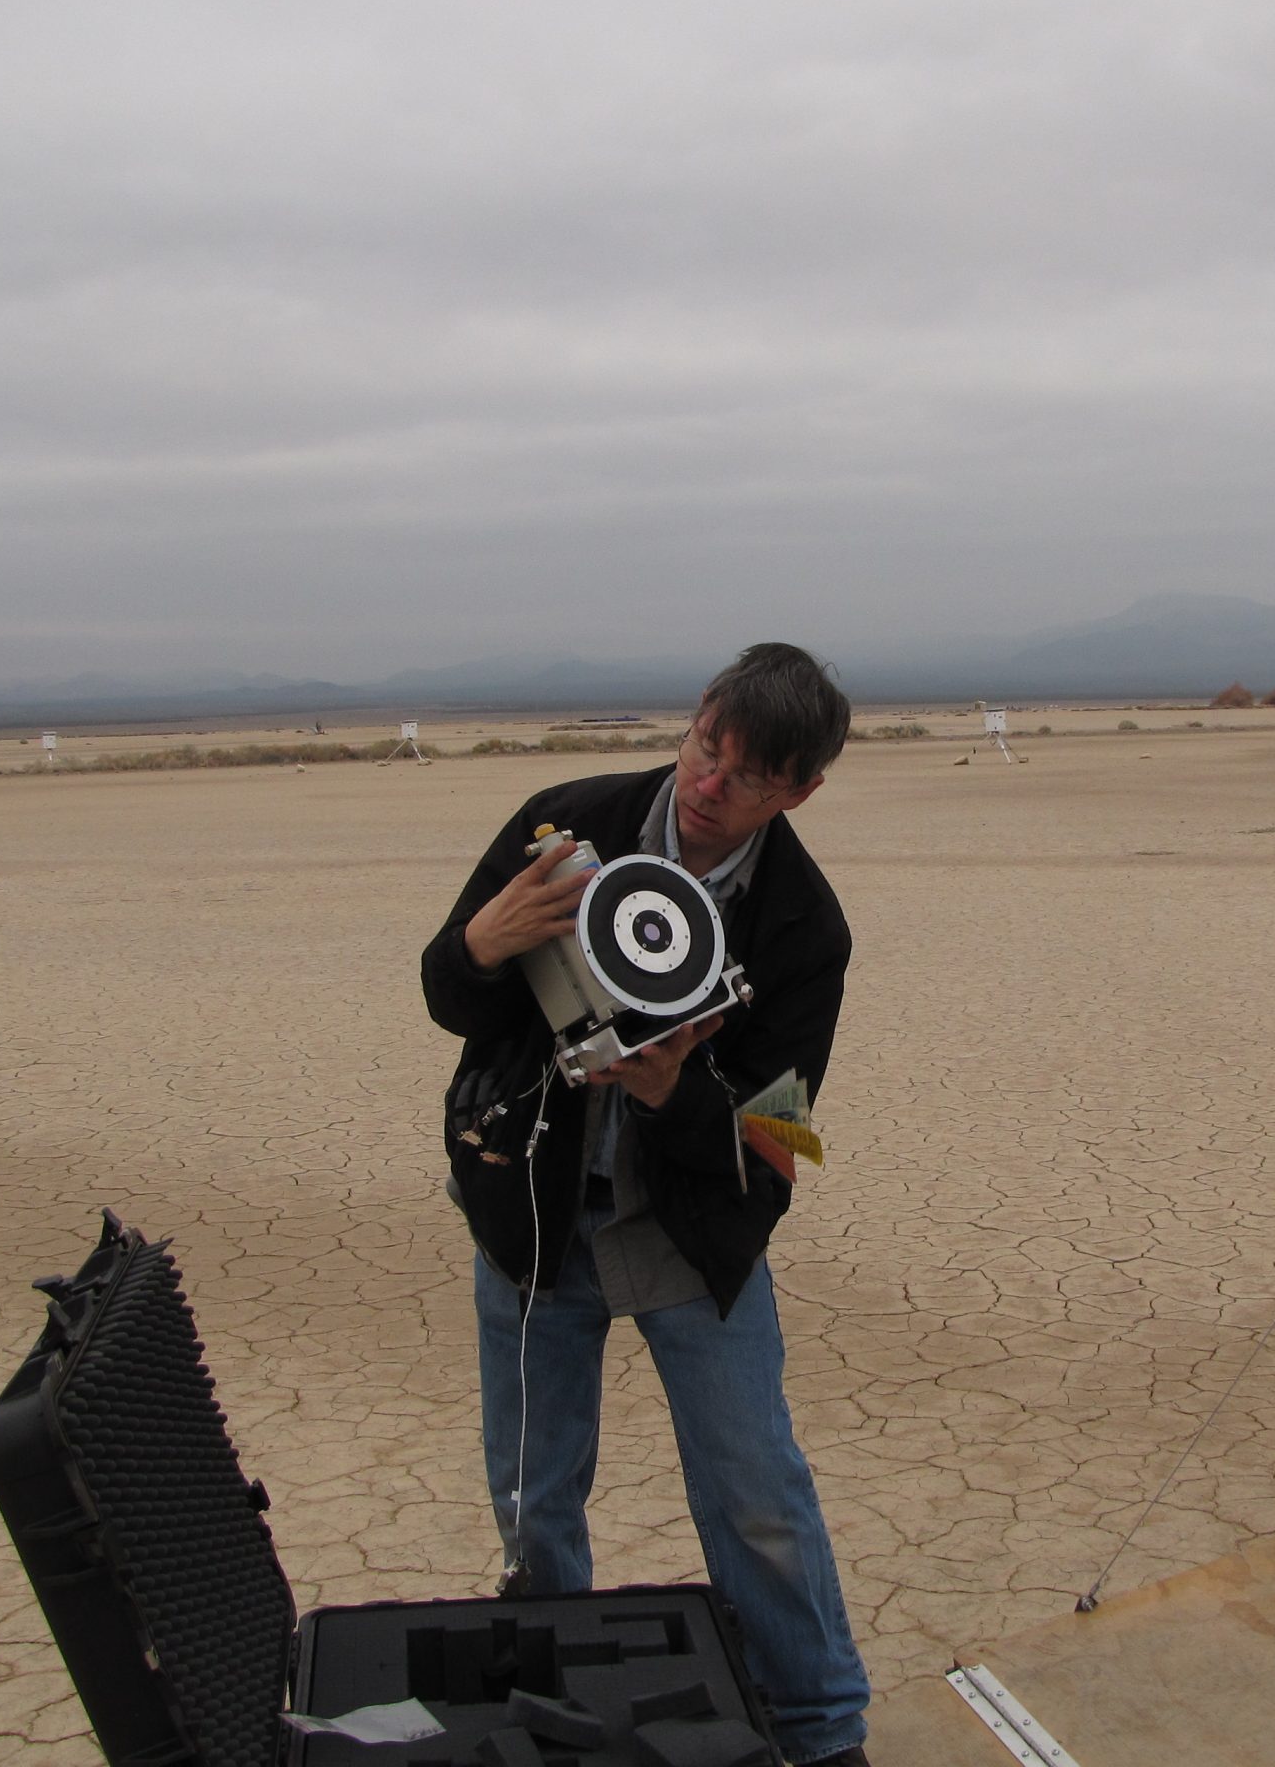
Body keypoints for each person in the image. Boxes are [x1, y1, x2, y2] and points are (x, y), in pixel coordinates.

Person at [420, 643, 872, 1767]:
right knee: (533, 1497)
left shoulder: (803, 931)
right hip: (533, 1214)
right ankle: (554, 1719)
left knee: (756, 1494)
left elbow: (776, 1144)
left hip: (687, 1240)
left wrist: (675, 1096)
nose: (711, 784)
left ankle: (819, 1731)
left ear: (802, 791)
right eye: (707, 746)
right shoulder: (567, 821)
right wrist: (486, 942)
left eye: (751, 775)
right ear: (695, 720)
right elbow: (446, 990)